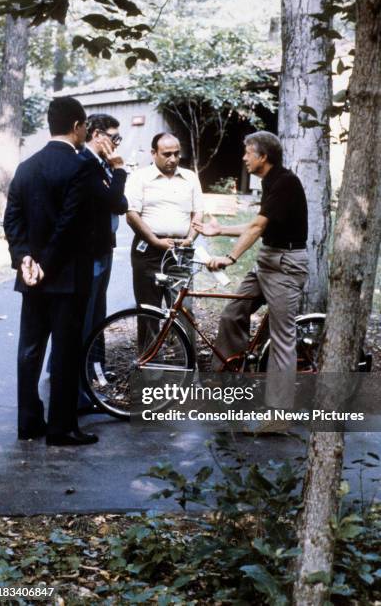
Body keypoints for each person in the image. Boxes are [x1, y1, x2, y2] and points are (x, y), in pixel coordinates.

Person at [4, 96, 98, 446]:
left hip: (31, 277)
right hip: (67, 277)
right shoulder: (82, 167)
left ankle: (28, 421)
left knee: (30, 349)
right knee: (65, 351)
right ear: (77, 126)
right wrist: (46, 264)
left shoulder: (26, 166)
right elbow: (70, 225)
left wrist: (24, 258)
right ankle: (61, 427)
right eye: (86, 126)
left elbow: (12, 219)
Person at [194, 131, 309, 400]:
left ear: (263, 156)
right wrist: (219, 229)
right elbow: (257, 223)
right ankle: (226, 383)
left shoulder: (286, 182)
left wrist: (230, 257)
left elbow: (257, 226)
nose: (244, 157)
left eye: (248, 152)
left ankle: (278, 415)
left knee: (282, 340)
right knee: (232, 314)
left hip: (286, 266)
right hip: (268, 260)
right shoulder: (270, 182)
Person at [125, 132, 204, 343]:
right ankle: (150, 370)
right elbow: (131, 215)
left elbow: (198, 212)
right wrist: (154, 240)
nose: (173, 159)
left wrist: (190, 238)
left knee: (183, 309)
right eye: (167, 154)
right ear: (153, 153)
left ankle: (187, 367)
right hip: (148, 250)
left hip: (181, 250)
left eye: (177, 154)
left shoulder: (190, 177)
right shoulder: (139, 177)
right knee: (148, 311)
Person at [77, 113, 128, 413]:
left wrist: (115, 173)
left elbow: (120, 203)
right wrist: (119, 170)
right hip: (90, 251)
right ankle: (80, 387)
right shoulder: (87, 163)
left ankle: (93, 370)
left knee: (96, 314)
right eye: (114, 137)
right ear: (97, 134)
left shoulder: (102, 165)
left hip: (103, 248)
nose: (117, 144)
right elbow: (113, 202)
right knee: (84, 319)